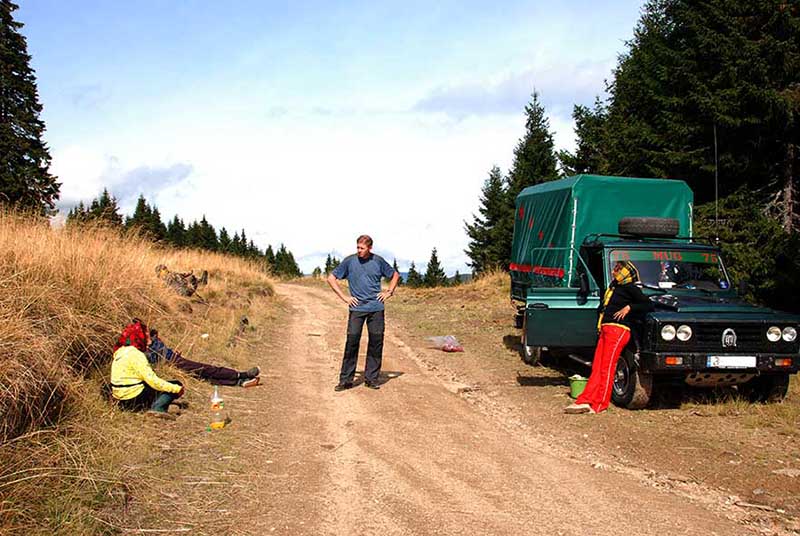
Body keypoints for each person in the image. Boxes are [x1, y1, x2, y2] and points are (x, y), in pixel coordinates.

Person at [565, 260, 654, 414]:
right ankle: (586, 399)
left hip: (618, 331)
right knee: (597, 366)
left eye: (617, 270)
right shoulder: (613, 288)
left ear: (625, 272)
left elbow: (648, 304)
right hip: (606, 329)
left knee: (607, 367)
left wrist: (629, 307)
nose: (614, 272)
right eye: (614, 270)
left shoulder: (630, 288)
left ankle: (600, 404)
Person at [327, 235, 400, 391]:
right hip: (357, 309)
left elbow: (395, 275)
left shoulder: (378, 261)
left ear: (370, 248)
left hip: (376, 308)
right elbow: (331, 278)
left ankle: (371, 379)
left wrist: (389, 291)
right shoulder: (350, 261)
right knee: (352, 343)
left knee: (376, 343)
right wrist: (344, 297)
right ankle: (346, 380)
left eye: (362, 248)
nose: (359, 251)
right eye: (357, 247)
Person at [110, 319, 185, 420]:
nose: (147, 336)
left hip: (120, 400)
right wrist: (176, 389)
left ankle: (160, 402)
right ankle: (158, 409)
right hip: (133, 399)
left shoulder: (120, 351)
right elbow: (153, 381)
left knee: (151, 386)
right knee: (175, 383)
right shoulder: (136, 354)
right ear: (138, 337)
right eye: (145, 333)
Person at [147, 328, 261, 388]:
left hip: (172, 359)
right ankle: (242, 375)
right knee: (206, 369)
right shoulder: (143, 346)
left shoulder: (149, 342)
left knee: (202, 376)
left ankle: (240, 383)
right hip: (171, 361)